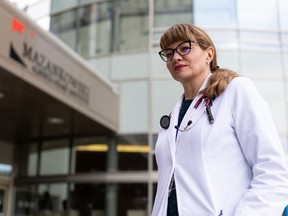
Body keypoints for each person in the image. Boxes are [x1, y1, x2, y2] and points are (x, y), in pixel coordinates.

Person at [152, 23, 288, 216]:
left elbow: (272, 171)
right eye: (168, 53)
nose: (175, 57)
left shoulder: (236, 91)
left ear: (209, 54)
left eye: (184, 48)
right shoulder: (172, 117)